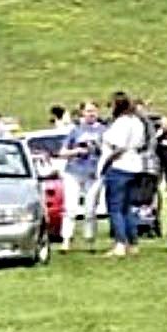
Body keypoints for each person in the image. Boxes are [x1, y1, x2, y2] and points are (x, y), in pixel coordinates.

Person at [98, 92, 146, 257]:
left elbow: (119, 147)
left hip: (119, 167)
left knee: (115, 208)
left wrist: (106, 163)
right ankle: (133, 243)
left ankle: (120, 243)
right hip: (135, 166)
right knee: (128, 208)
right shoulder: (137, 121)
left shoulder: (121, 123)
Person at [56, 100, 106, 252]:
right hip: (74, 171)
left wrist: (98, 149)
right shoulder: (75, 130)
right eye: (88, 111)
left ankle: (90, 240)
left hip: (94, 172)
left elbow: (109, 151)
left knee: (90, 209)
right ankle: (66, 239)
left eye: (94, 111)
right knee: (70, 207)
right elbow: (62, 152)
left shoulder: (104, 130)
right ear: (82, 113)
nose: (91, 114)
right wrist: (76, 151)